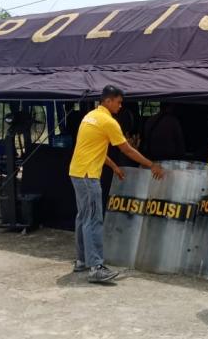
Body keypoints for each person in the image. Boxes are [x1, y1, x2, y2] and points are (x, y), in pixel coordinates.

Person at [69, 85, 165, 283]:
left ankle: (82, 261)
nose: (120, 106)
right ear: (108, 100)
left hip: (77, 173)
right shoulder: (108, 121)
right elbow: (127, 149)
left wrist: (114, 167)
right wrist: (151, 165)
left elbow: (94, 149)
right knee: (93, 219)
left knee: (83, 217)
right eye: (119, 102)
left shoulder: (90, 117)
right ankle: (96, 268)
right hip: (88, 176)